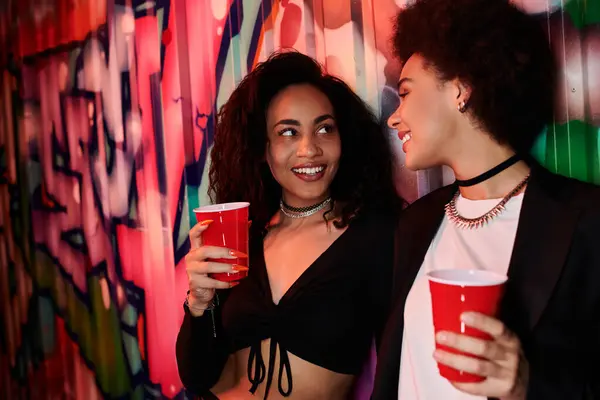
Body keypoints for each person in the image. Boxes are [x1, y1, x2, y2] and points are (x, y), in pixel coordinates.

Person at [372, 0, 600, 399]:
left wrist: (530, 385)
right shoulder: (415, 224)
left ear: (461, 89)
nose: (394, 116)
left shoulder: (585, 221)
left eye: (406, 92)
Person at [176, 50, 404, 400]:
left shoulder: (375, 236)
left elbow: (403, 362)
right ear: (263, 150)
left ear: (345, 139)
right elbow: (196, 375)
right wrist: (199, 303)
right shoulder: (244, 239)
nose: (309, 149)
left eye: (324, 128)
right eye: (288, 133)